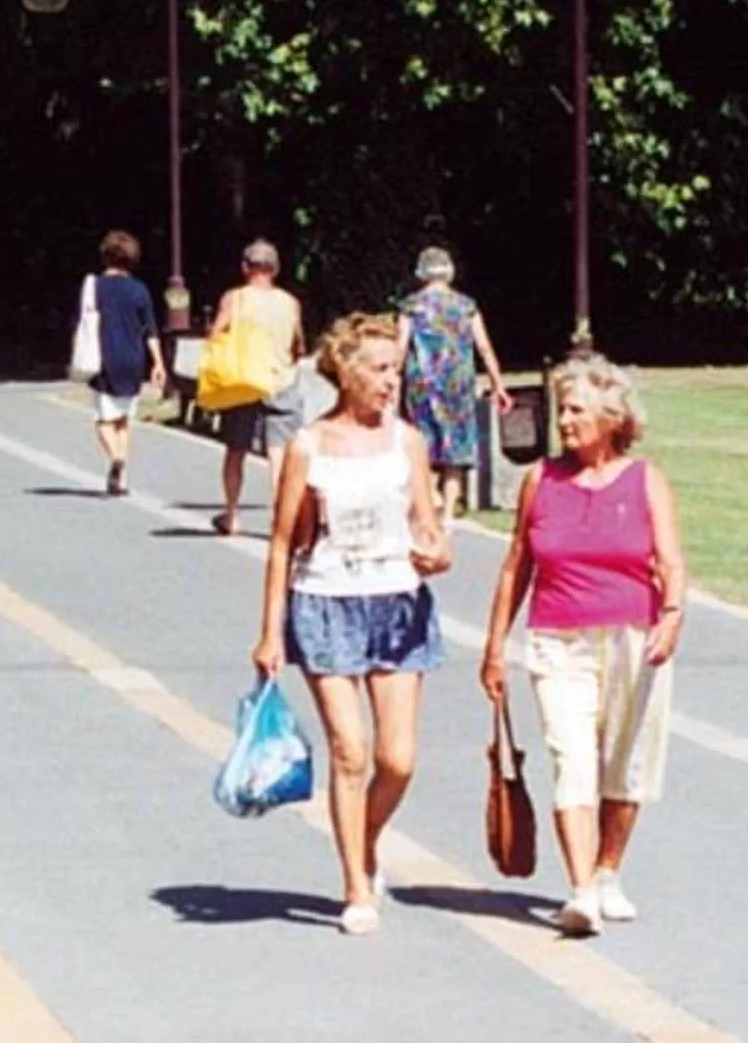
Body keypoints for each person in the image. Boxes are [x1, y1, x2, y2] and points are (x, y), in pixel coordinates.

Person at [252, 314, 450, 934]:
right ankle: (355, 885)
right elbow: (283, 542)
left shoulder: (408, 442)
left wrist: (437, 552)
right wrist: (268, 631)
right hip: (325, 601)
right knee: (350, 750)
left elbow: (429, 527)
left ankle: (362, 838)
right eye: (381, 369)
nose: (393, 382)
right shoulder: (309, 446)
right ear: (347, 371)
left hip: (397, 603)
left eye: (397, 369)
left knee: (398, 759)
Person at [481, 354, 686, 936]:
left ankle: (607, 871)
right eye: (562, 409)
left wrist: (672, 614)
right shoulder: (540, 480)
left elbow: (671, 562)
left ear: (611, 416)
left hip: (633, 637)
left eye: (575, 409)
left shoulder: (646, 480)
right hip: (556, 639)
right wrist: (496, 646)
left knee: (625, 765)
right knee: (571, 759)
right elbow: (515, 566)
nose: (564, 421)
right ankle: (580, 893)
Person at [399, 247, 511, 519]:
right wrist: (498, 385)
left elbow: (400, 347)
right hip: (458, 385)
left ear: (421, 273)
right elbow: (483, 347)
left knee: (422, 442)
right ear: (449, 272)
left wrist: (391, 379)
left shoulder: (411, 306)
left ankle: (429, 500)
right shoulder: (466, 306)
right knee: (455, 447)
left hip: (422, 384)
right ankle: (449, 513)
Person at [208, 240, 305, 536]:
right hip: (281, 380)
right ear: (275, 269)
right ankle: (280, 519)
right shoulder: (290, 302)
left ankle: (232, 514)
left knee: (236, 450)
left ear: (244, 268)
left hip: (243, 381)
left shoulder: (234, 299)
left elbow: (216, 334)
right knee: (278, 454)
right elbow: (299, 342)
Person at [85, 230, 164, 494]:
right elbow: (150, 329)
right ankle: (122, 480)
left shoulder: (94, 287)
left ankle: (116, 460)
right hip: (133, 359)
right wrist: (159, 363)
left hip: (104, 357)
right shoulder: (139, 290)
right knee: (123, 420)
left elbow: (82, 323)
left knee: (103, 420)